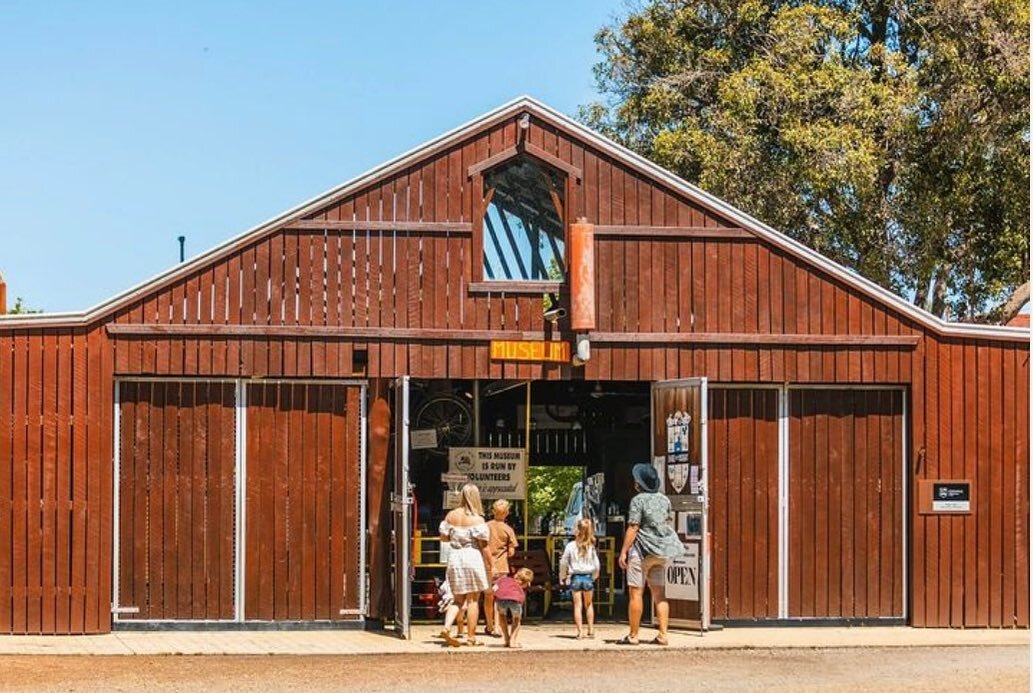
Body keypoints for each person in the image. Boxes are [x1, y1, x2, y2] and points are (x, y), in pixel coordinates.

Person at [617, 463, 685, 646]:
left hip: (642, 551)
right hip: (661, 551)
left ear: (639, 484)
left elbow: (633, 527)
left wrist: (623, 551)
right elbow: (667, 520)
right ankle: (663, 634)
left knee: (636, 592)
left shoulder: (638, 501)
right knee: (660, 594)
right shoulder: (665, 500)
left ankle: (633, 635)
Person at [438, 483, 492, 647]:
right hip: (472, 557)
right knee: (473, 600)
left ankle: (447, 628)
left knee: (457, 599)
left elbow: (444, 538)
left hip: (455, 558)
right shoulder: (478, 519)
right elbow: (484, 544)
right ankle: (471, 637)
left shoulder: (451, 516)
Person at [559, 517, 601, 639]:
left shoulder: (571, 546)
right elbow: (597, 564)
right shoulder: (591, 547)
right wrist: (594, 576)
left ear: (576, 530)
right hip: (588, 577)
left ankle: (579, 632)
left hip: (576, 577)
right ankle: (591, 629)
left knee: (577, 605)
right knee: (589, 604)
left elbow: (563, 562)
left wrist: (563, 576)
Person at [483, 499, 519, 637]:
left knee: (488, 596)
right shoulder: (508, 529)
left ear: (493, 511)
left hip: (486, 566)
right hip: (502, 567)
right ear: (507, 513)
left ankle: (489, 625)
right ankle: (498, 626)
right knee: (499, 598)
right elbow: (511, 551)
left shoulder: (486, 526)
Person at [492, 567, 533, 649]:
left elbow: (494, 588)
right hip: (515, 601)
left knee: (502, 616)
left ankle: (506, 639)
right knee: (517, 619)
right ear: (525, 583)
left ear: (515, 575)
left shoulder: (504, 579)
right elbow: (521, 598)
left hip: (501, 600)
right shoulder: (519, 588)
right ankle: (513, 640)